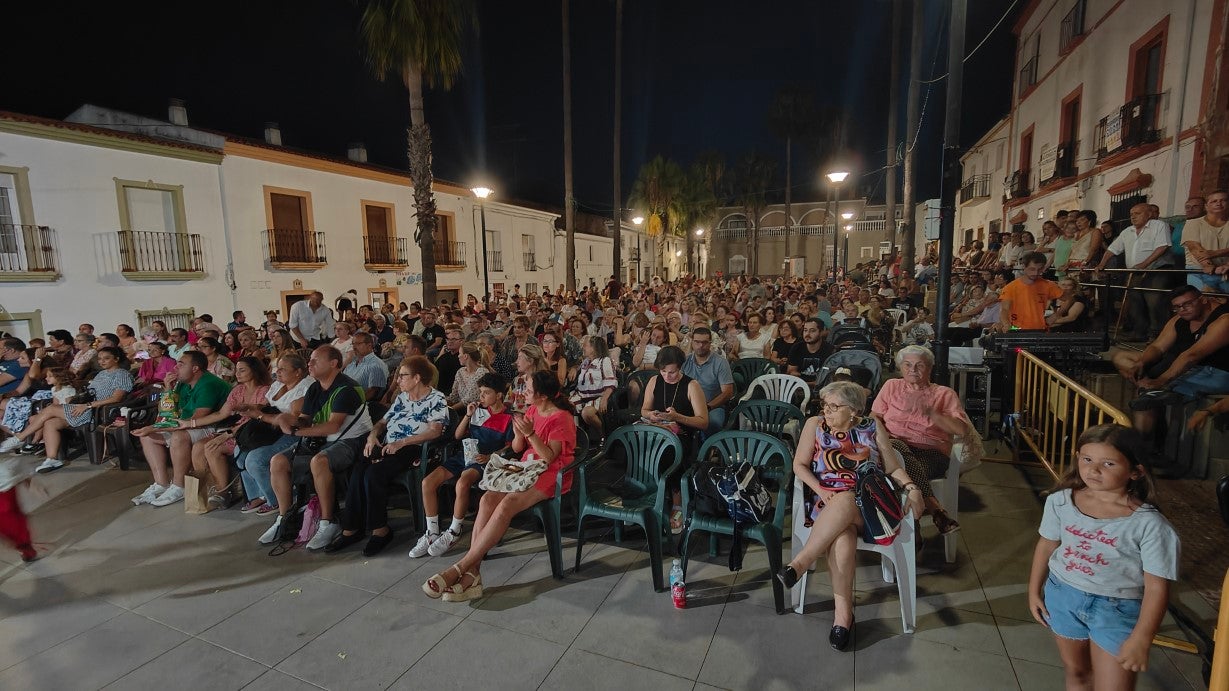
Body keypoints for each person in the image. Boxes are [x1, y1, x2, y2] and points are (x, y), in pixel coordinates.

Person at [1027, 424, 1179, 690]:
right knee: (1077, 673)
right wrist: (1033, 590)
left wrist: (1142, 638)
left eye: (1108, 463)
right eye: (1087, 459)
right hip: (1063, 597)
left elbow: (1157, 587)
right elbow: (1046, 545)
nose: (1094, 470)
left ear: (1136, 471)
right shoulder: (1061, 501)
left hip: (1117, 609)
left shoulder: (1152, 526)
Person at [777, 381, 924, 652]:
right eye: (825, 405)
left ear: (854, 410)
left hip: (867, 506)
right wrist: (819, 489)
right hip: (825, 503)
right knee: (842, 538)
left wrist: (912, 488)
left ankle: (800, 562)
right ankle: (842, 617)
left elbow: (892, 467)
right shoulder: (814, 425)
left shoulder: (872, 427)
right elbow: (798, 465)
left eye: (834, 406)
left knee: (846, 498)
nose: (827, 411)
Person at [421, 370, 576, 602]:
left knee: (506, 506)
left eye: (529, 390)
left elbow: (549, 458)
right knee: (487, 499)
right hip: (527, 468)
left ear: (543, 395)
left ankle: (460, 568)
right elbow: (516, 447)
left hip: (551, 473)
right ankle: (472, 574)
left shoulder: (561, 418)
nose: (524, 393)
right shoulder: (533, 410)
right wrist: (518, 432)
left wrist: (531, 434)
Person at [325, 356, 448, 556]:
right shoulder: (401, 398)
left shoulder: (436, 398)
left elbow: (435, 431)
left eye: (402, 376)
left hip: (412, 447)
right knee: (358, 470)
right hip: (389, 444)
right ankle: (351, 529)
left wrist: (402, 442)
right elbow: (382, 423)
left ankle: (380, 530)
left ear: (417, 378)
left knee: (374, 474)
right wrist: (372, 437)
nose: (397, 380)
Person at [260, 346, 372, 549]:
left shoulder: (347, 388)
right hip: (324, 440)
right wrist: (289, 421)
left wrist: (295, 432)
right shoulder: (314, 388)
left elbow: (332, 426)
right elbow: (305, 420)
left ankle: (328, 522)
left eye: (315, 360)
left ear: (333, 364)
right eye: (309, 360)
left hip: (352, 440)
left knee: (319, 461)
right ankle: (285, 518)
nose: (309, 364)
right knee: (278, 461)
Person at [411, 372, 515, 559]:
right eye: (480, 392)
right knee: (427, 482)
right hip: (464, 454)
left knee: (462, 482)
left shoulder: (509, 417)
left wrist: (491, 455)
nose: (481, 397)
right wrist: (467, 416)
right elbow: (458, 436)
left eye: (486, 393)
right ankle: (432, 531)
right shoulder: (477, 411)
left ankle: (454, 530)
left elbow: (509, 447)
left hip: (485, 460)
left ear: (499, 395)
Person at [871, 346, 967, 534]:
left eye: (919, 365)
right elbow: (874, 416)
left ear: (929, 368)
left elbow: (961, 429)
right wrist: (883, 436)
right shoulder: (891, 386)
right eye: (907, 365)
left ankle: (908, 533)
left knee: (896, 470)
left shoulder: (944, 394)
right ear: (900, 367)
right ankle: (936, 511)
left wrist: (934, 414)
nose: (912, 370)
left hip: (930, 453)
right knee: (895, 447)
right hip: (892, 448)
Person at [1116, 285, 1229, 443]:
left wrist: (1162, 380)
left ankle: (1169, 393)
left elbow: (1192, 355)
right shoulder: (1179, 319)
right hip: (1189, 367)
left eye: (1187, 304)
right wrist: (1142, 363)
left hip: (1219, 372)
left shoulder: (1224, 320)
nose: (1182, 309)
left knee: (1145, 397)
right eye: (1177, 307)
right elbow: (1158, 346)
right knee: (1123, 360)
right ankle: (1159, 392)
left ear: (1203, 299)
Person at [130, 351, 231, 506]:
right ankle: (161, 484)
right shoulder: (182, 383)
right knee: (146, 436)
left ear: (195, 368)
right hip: (187, 423)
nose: (176, 367)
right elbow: (166, 412)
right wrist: (167, 390)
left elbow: (197, 420)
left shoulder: (209, 384)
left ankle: (179, 486)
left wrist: (155, 428)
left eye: (181, 364)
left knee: (179, 436)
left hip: (213, 426)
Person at [15, 347, 133, 471]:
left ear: (116, 359)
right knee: (50, 422)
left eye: (106, 358)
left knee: (51, 409)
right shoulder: (101, 373)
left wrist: (88, 405)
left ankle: (20, 438)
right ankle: (52, 459)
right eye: (99, 359)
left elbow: (116, 398)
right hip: (85, 407)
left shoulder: (122, 374)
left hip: (98, 411)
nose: (102, 361)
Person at [188, 357, 272, 508]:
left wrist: (228, 434)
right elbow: (220, 414)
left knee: (212, 448)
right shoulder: (238, 390)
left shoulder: (263, 391)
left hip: (251, 432)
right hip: (235, 429)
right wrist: (190, 423)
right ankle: (204, 491)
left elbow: (257, 419)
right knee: (198, 446)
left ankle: (223, 492)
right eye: (237, 370)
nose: (237, 373)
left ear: (254, 371)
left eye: (242, 370)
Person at [641, 345, 709, 534]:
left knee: (668, 453)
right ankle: (645, 494)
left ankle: (677, 503)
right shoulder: (655, 381)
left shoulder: (691, 385)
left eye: (672, 372)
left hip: (683, 434)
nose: (667, 376)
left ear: (680, 368)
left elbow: (703, 422)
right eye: (663, 371)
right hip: (659, 429)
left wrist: (678, 417)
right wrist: (652, 415)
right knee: (635, 448)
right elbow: (644, 410)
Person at [236, 353, 314, 515]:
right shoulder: (278, 385)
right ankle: (259, 495)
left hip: (291, 432)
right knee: (240, 452)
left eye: (283, 369)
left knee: (255, 459)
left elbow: (294, 420)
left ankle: (277, 499)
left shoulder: (304, 388)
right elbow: (266, 405)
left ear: (298, 372)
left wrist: (260, 416)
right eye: (277, 368)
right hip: (269, 429)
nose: (277, 372)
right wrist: (249, 407)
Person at [1094, 204, 1174, 341]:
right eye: (1131, 214)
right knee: (1135, 303)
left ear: (1149, 214)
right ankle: (1139, 333)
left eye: (1137, 213)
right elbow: (1112, 249)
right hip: (1134, 271)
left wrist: (1144, 264)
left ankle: (1157, 335)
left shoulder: (1159, 225)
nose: (1133, 216)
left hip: (1156, 270)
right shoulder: (1127, 231)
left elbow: (1162, 246)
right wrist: (1102, 264)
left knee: (1155, 302)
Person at [997, 252, 1063, 332]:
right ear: (1024, 267)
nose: (1035, 273)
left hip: (1040, 330)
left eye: (1039, 269)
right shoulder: (1010, 287)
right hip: (1017, 329)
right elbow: (1004, 309)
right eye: (1032, 269)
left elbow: (1071, 298)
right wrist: (1006, 324)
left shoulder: (1047, 285)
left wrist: (1057, 314)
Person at [1181, 189, 1229, 293]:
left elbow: (1209, 254)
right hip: (1199, 270)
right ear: (1206, 206)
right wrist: (1209, 266)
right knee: (1204, 303)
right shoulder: (1193, 223)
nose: (1219, 203)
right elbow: (1195, 248)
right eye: (1214, 201)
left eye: (1223, 200)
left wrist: (1217, 256)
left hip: (1225, 271)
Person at [572, 336, 619, 441]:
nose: (583, 347)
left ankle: (604, 435)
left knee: (587, 413)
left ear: (594, 348)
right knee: (565, 407)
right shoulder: (585, 362)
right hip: (581, 395)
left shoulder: (604, 361)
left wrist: (605, 399)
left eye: (586, 345)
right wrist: (574, 368)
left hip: (598, 396)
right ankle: (577, 438)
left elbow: (611, 381)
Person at [787, 317, 835, 390]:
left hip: (823, 389)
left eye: (812, 331)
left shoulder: (829, 350)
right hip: (798, 387)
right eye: (805, 330)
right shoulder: (796, 348)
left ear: (821, 332)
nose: (807, 334)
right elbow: (791, 372)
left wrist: (805, 380)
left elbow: (829, 378)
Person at [341, 332, 387, 402]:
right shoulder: (352, 364)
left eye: (358, 344)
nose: (354, 347)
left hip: (359, 406)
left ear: (369, 345)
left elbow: (372, 393)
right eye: (353, 344)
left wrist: (350, 406)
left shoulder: (376, 365)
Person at [447, 341, 490, 409]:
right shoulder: (460, 371)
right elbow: (453, 396)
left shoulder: (482, 372)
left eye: (459, 353)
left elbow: (470, 399)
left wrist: (449, 410)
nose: (458, 356)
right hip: (460, 409)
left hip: (475, 411)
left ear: (465, 356)